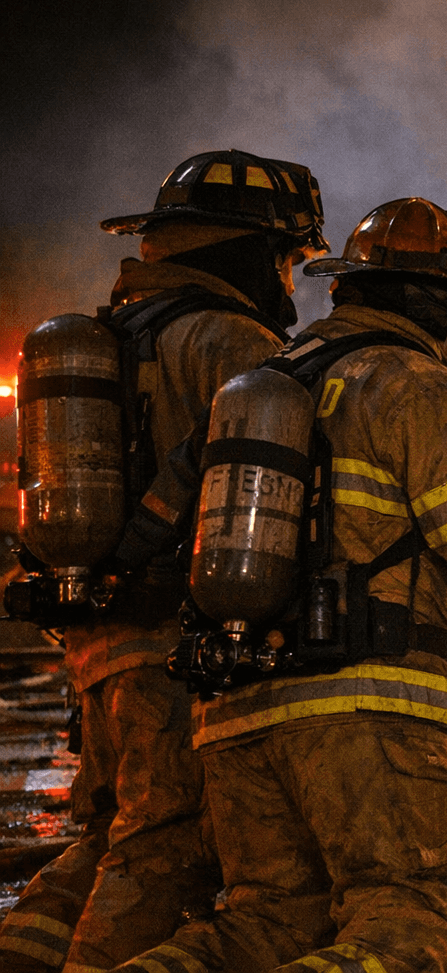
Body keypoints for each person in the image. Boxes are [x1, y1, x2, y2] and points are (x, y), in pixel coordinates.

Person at [111, 198, 447, 973]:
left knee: (266, 927)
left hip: (235, 713)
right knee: (417, 923)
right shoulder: (411, 381)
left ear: (346, 288)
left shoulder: (262, 381)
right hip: (367, 712)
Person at [0, 150, 325, 973]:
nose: (290, 281)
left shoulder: (104, 337)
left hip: (99, 642)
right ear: (245, 251)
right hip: (174, 647)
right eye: (288, 258)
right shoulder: (231, 341)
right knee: (165, 843)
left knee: (114, 832)